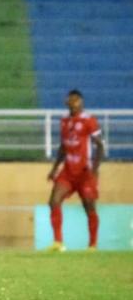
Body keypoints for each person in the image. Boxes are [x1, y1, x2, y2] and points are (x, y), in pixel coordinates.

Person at [46, 89, 104, 251]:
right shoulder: (64, 121)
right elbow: (63, 146)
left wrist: (95, 169)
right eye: (71, 100)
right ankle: (58, 242)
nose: (74, 103)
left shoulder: (89, 120)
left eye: (77, 100)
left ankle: (93, 245)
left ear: (81, 102)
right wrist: (54, 168)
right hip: (68, 171)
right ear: (67, 102)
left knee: (89, 206)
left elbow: (100, 146)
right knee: (54, 201)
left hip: (85, 172)